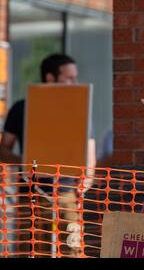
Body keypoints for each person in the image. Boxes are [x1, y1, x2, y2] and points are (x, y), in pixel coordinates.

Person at [0, 53, 89, 257]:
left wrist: (85, 183)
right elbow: (4, 149)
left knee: (71, 250)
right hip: (32, 192)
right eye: (69, 78)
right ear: (50, 78)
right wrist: (27, 161)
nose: (75, 83)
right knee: (31, 250)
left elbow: (88, 145)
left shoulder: (78, 106)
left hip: (67, 192)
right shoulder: (22, 108)